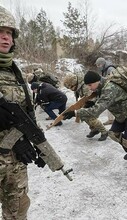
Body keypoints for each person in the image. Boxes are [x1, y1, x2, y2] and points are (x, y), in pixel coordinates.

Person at [0, 6, 46, 219]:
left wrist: (37, 142)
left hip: (14, 162)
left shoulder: (15, 70)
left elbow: (26, 111)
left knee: (17, 211)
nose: (5, 37)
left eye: (9, 32)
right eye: (0, 31)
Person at [63, 70, 127, 167]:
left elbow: (97, 110)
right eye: (87, 85)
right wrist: (90, 103)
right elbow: (98, 101)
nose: (89, 88)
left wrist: (75, 113)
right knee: (113, 134)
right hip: (122, 114)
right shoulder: (101, 87)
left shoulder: (109, 88)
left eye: (90, 85)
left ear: (97, 81)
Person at [63, 73, 108, 141]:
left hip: (93, 102)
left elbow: (91, 97)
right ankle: (94, 129)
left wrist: (84, 108)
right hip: (86, 102)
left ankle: (104, 131)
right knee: (84, 117)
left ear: (75, 83)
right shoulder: (78, 86)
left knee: (91, 119)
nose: (71, 89)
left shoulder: (85, 86)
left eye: (72, 87)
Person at [95, 57, 115, 125]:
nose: (98, 67)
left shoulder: (110, 69)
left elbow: (113, 78)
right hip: (109, 88)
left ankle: (113, 120)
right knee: (109, 105)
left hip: (114, 88)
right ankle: (111, 119)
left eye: (98, 65)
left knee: (111, 104)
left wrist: (101, 78)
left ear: (102, 64)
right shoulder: (104, 68)